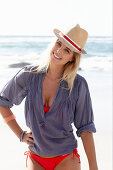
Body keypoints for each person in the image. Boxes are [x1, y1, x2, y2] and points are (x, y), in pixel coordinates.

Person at [0, 24, 98, 170]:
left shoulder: (78, 85)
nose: (58, 51)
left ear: (72, 58)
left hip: (65, 158)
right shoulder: (29, 75)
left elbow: (85, 129)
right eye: (59, 43)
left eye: (67, 50)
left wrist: (93, 167)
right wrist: (20, 134)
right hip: (35, 157)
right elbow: (3, 102)